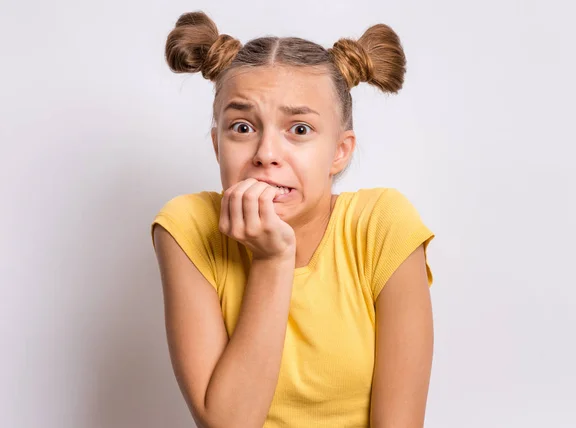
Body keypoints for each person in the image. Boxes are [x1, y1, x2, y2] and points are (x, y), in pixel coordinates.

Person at [151, 10, 435, 428]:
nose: (266, 153)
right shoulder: (187, 227)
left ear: (339, 151)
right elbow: (228, 424)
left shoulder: (383, 226)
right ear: (217, 145)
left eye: (299, 130)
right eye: (242, 127)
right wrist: (272, 261)